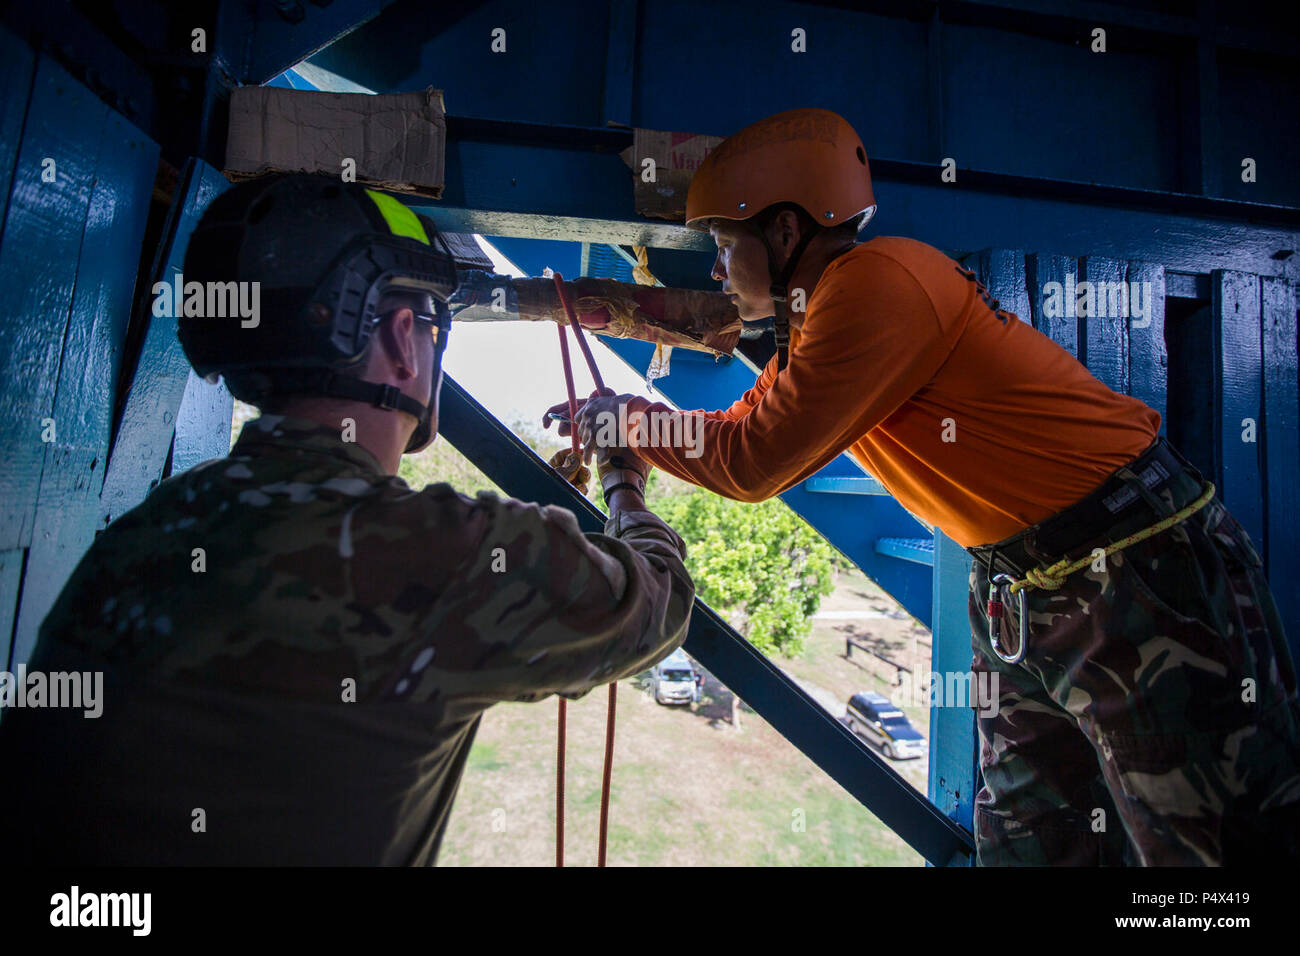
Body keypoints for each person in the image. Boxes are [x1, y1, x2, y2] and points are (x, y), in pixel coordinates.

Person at [544, 107, 1300, 866]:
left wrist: (629, 421)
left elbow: (752, 460)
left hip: (1137, 565)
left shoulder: (877, 282)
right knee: (1031, 843)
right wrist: (625, 422)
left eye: (721, 244)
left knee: (1214, 858)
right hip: (1020, 587)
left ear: (782, 234)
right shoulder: (810, 332)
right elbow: (741, 424)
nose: (713, 269)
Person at [0, 173, 694, 865]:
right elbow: (659, 598)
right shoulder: (448, 554)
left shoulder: (140, 537)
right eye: (431, 325)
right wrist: (621, 476)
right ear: (401, 339)